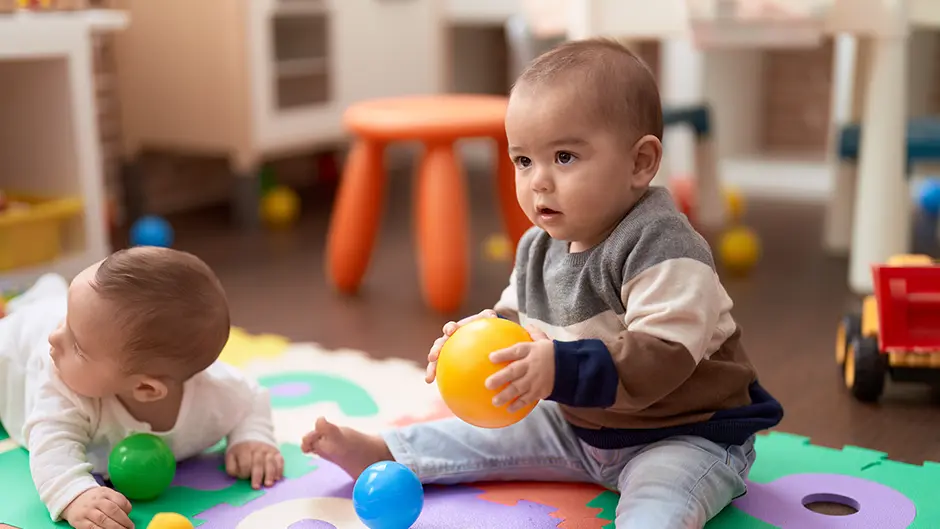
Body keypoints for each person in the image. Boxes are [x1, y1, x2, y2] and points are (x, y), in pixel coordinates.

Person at [300, 38, 784, 528]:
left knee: (661, 503)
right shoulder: (539, 246)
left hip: (685, 433)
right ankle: (390, 451)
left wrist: (557, 369)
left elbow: (662, 357)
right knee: (486, 434)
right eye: (523, 161)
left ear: (640, 163)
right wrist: (472, 343)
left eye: (565, 157)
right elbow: (515, 321)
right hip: (580, 424)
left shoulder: (663, 244)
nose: (538, 182)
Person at [0, 247, 283, 529]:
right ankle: (41, 299)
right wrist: (75, 494)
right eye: (67, 323)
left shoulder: (216, 395)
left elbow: (252, 398)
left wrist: (252, 438)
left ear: (146, 389)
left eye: (79, 347)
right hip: (16, 353)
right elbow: (51, 445)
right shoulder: (61, 380)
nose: (55, 336)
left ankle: (45, 296)